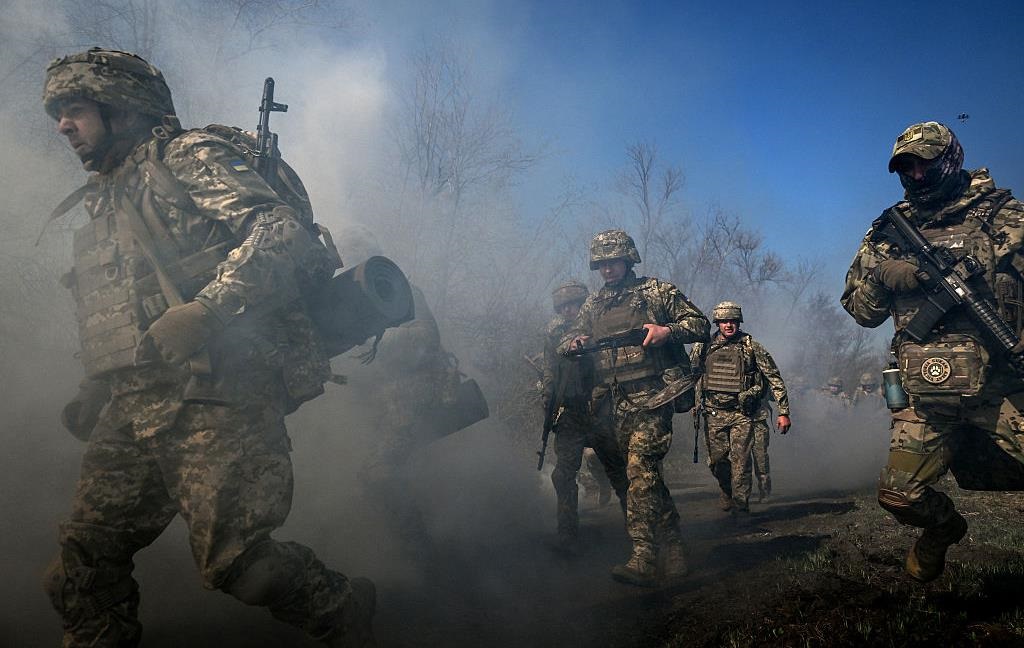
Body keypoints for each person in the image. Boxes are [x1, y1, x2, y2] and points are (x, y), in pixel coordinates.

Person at [42, 48, 374, 646]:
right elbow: (119, 303)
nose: (63, 124)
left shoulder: (186, 157)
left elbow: (280, 234)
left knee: (241, 566)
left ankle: (343, 608)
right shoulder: (106, 197)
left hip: (219, 387)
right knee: (82, 559)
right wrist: (96, 385)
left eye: (75, 108)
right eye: (58, 113)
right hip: (136, 398)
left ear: (121, 108)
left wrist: (206, 310)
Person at [842, 120, 1024, 582]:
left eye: (925, 164)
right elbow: (860, 312)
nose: (916, 176)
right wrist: (884, 277)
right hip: (924, 392)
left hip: (1000, 384)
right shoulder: (887, 233)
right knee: (899, 493)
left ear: (951, 159)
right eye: (906, 167)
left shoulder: (1007, 218)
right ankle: (943, 531)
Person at [560, 230, 709, 586]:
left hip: (655, 396)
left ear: (628, 258)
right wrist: (575, 342)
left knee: (641, 468)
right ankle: (674, 546)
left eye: (613, 261)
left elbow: (700, 325)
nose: (607, 269)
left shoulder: (657, 292)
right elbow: (569, 339)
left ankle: (643, 555)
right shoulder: (595, 304)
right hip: (614, 404)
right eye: (601, 263)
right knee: (641, 477)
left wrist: (665, 331)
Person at [543, 280, 622, 555]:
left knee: (619, 470)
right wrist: (549, 404)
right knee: (563, 475)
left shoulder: (597, 324)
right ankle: (567, 534)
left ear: (582, 304)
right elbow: (550, 370)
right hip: (571, 412)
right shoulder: (553, 332)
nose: (568, 310)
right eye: (563, 306)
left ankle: (639, 530)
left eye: (573, 304)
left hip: (601, 409)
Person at [691, 301, 791, 514]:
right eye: (724, 321)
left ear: (739, 322)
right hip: (713, 412)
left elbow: (774, 378)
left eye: (733, 321)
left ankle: (741, 506)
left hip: (741, 414)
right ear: (717, 323)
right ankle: (726, 491)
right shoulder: (703, 347)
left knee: (741, 463)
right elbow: (691, 376)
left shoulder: (751, 347)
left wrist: (784, 412)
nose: (729, 325)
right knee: (717, 463)